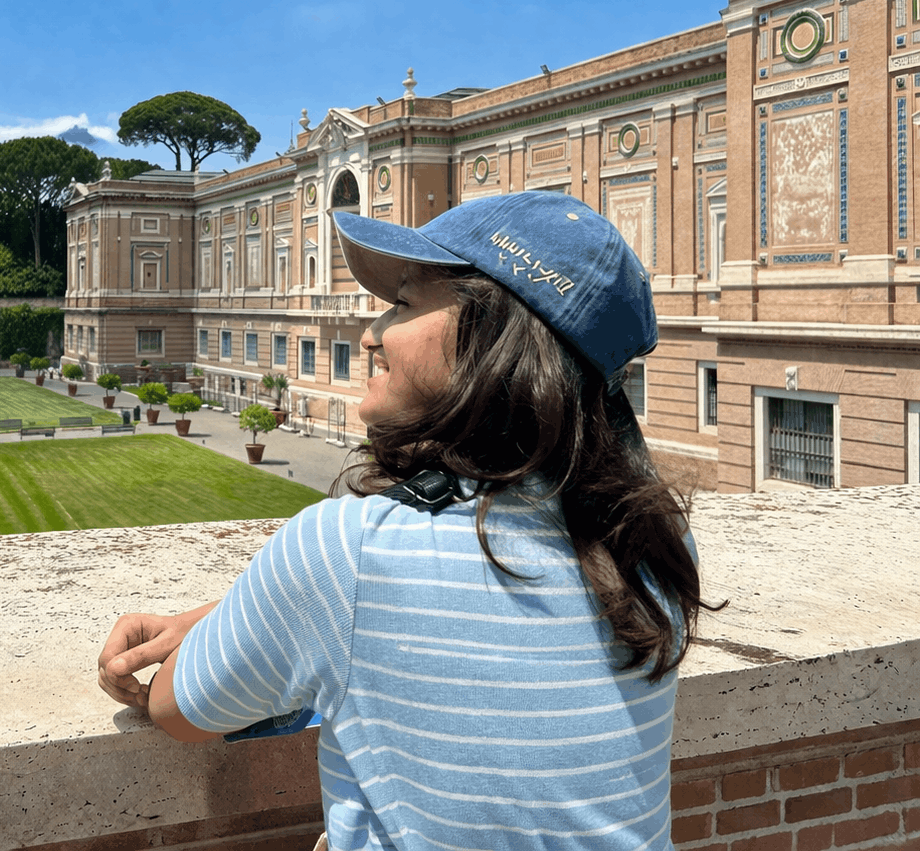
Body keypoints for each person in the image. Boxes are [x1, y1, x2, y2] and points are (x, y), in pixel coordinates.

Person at [98, 191, 719, 851]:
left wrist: (257, 615)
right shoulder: (656, 544)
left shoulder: (348, 552)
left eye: (404, 303)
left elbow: (176, 704)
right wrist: (250, 610)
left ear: (492, 332)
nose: (370, 334)